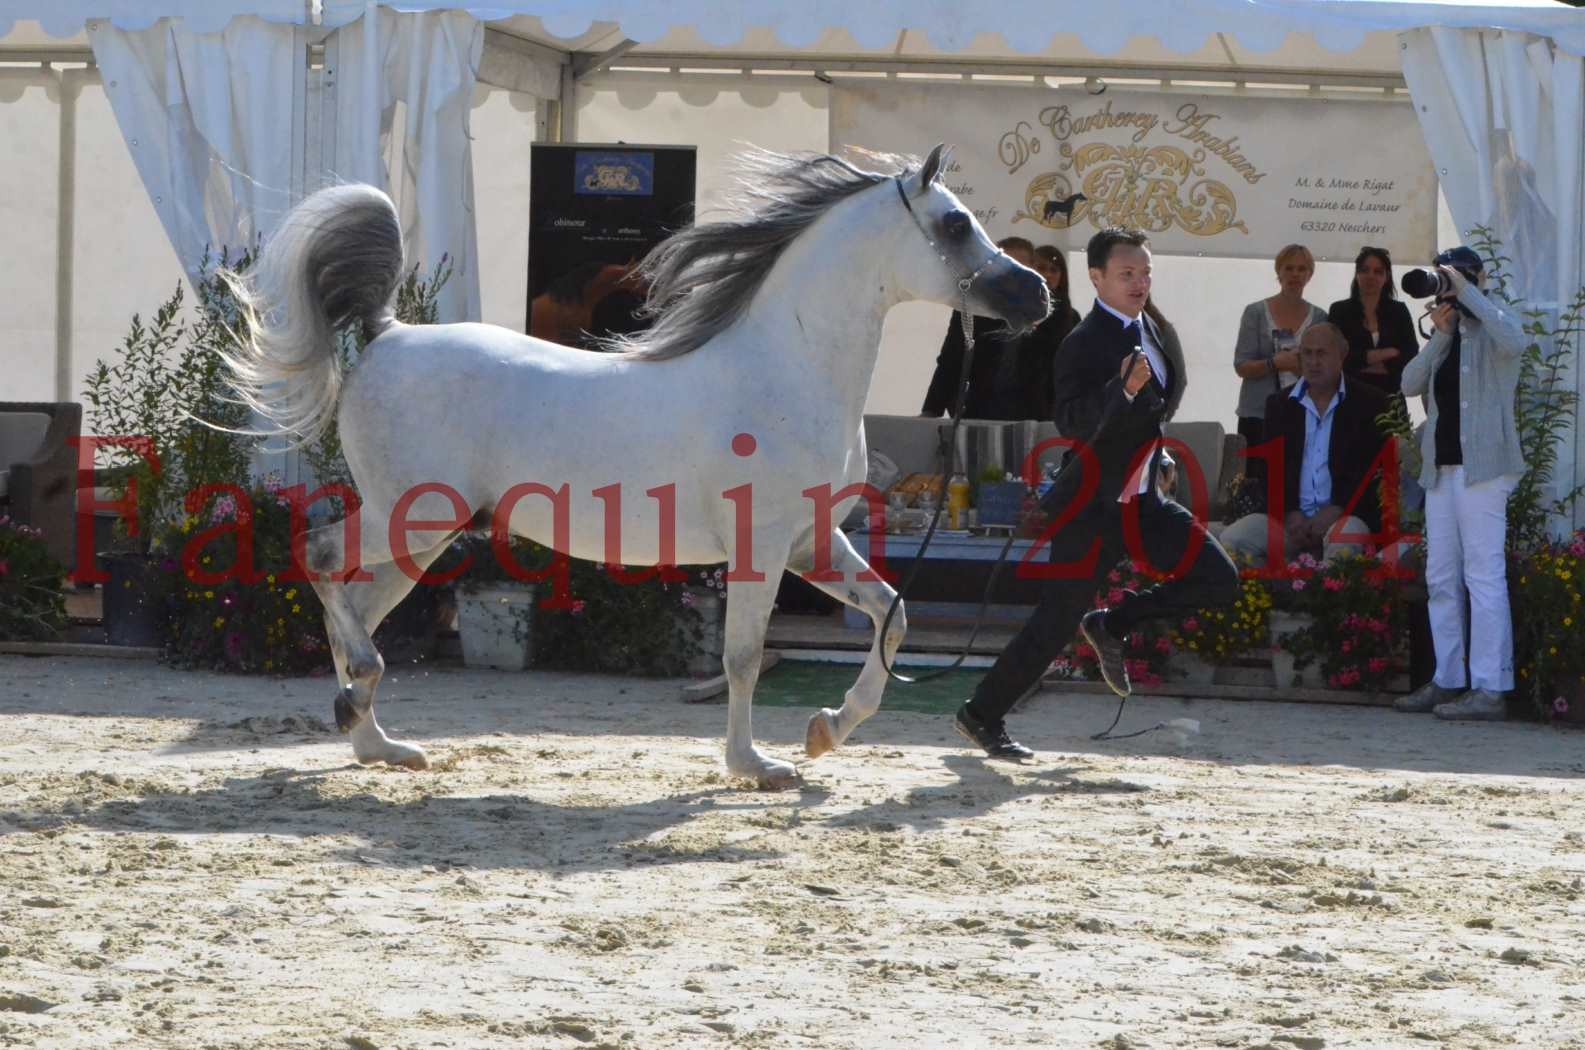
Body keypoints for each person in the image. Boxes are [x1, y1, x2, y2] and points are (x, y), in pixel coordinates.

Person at [953, 227, 1239, 758]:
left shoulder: (1151, 327)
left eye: (1145, 272)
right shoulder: (1083, 342)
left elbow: (1155, 409)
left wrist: (1159, 450)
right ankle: (981, 715)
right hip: (1090, 504)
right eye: (1127, 274)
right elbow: (1072, 419)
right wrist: (1121, 390)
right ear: (1097, 277)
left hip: (1144, 498)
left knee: (1220, 579)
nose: (1139, 282)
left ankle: (1113, 621)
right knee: (1053, 621)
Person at [1393, 247, 1527, 722]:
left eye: (1451, 279)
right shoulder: (1447, 334)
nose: (1445, 288)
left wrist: (1469, 290)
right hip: (1442, 470)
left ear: (1476, 279)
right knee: (1441, 577)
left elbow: (1516, 341)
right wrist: (1439, 337)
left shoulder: (1495, 322)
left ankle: (1491, 687)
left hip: (1484, 469)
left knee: (1483, 576)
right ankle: (1448, 678)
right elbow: (1409, 384)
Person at [1218, 322, 1390, 566]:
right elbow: (1267, 473)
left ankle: (1330, 603)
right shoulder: (1279, 404)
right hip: (1291, 522)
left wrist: (1337, 510)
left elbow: (1374, 474)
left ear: (1342, 353)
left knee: (1343, 541)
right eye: (1306, 353)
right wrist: (1289, 513)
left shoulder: (1370, 403)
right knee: (1233, 540)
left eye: (1321, 353)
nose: (1313, 361)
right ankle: (1267, 601)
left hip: (1345, 516)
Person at [920, 236, 1041, 420]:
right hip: (978, 414)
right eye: (1006, 266)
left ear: (1032, 270)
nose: (1012, 274)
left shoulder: (1052, 313)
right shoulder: (972, 308)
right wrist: (931, 410)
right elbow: (950, 360)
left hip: (1033, 418)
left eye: (1020, 268)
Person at [1232, 245, 1329, 467]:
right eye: (1289, 268)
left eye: (1301, 269)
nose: (1295, 274)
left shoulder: (1321, 317)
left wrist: (1302, 368)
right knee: (1256, 483)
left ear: (1309, 275)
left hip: (1302, 413)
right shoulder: (1255, 312)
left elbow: (1325, 370)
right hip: (1257, 414)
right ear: (1279, 271)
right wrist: (1273, 363)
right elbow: (1241, 365)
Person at [1327, 246, 1420, 395]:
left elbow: (1411, 354)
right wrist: (1386, 353)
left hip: (1390, 395)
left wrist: (1363, 360)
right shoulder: (1339, 310)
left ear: (1386, 277)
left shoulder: (1399, 311)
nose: (1371, 276)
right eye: (1365, 270)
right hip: (1350, 394)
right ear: (1357, 274)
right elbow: (1335, 357)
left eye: (1378, 272)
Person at [1011, 245, 1084, 421]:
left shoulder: (1071, 318)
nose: (1048, 275)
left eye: (1054, 270)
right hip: (1010, 404)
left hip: (1053, 408)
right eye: (1042, 268)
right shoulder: (1012, 309)